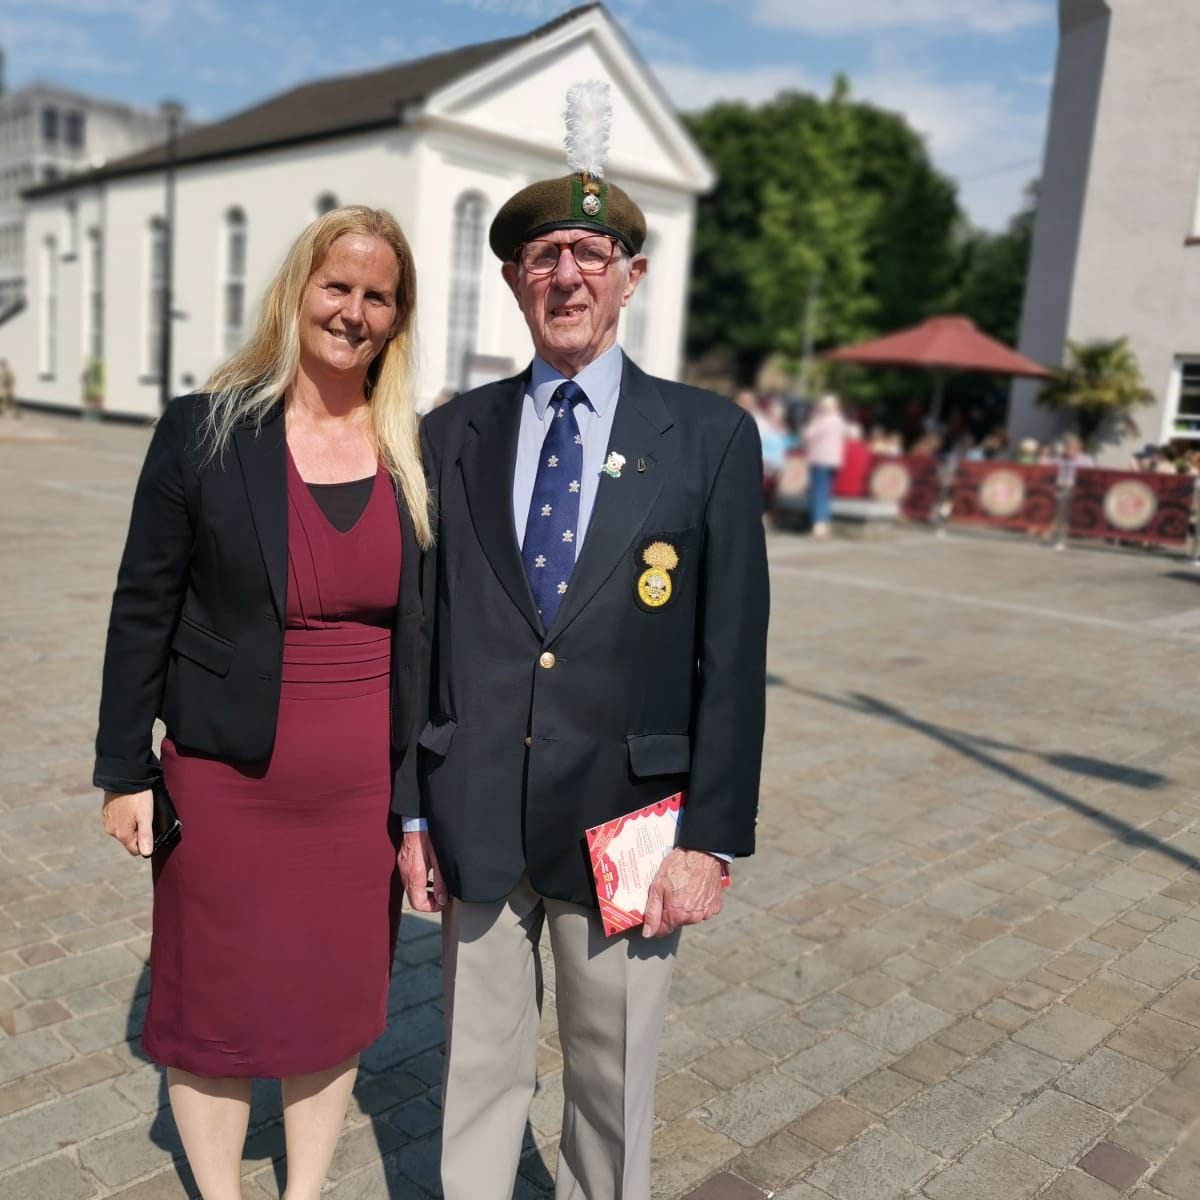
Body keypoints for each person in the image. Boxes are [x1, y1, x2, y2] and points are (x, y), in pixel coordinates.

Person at [400, 83, 769, 1200]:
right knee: (474, 1073)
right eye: (545, 256)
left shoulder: (706, 436)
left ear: (631, 279)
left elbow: (733, 652)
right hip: (473, 814)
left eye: (592, 255)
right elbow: (425, 630)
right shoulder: (450, 432)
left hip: (631, 825)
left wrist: (712, 838)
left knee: (611, 1086)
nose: (568, 275)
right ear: (516, 281)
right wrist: (411, 808)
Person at [94, 206, 430, 1200]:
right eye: (338, 287)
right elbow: (142, 602)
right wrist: (123, 770)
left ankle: (305, 1188)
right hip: (226, 775)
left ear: (397, 317)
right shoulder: (206, 431)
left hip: (360, 787)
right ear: (298, 291)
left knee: (332, 999)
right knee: (214, 1001)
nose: (353, 311)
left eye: (377, 296)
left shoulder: (416, 445)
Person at [803, 392, 845, 537]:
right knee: (827, 492)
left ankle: (818, 524)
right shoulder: (839, 420)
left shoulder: (821, 420)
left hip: (819, 459)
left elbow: (808, 435)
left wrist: (813, 419)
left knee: (818, 492)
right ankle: (825, 522)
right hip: (834, 461)